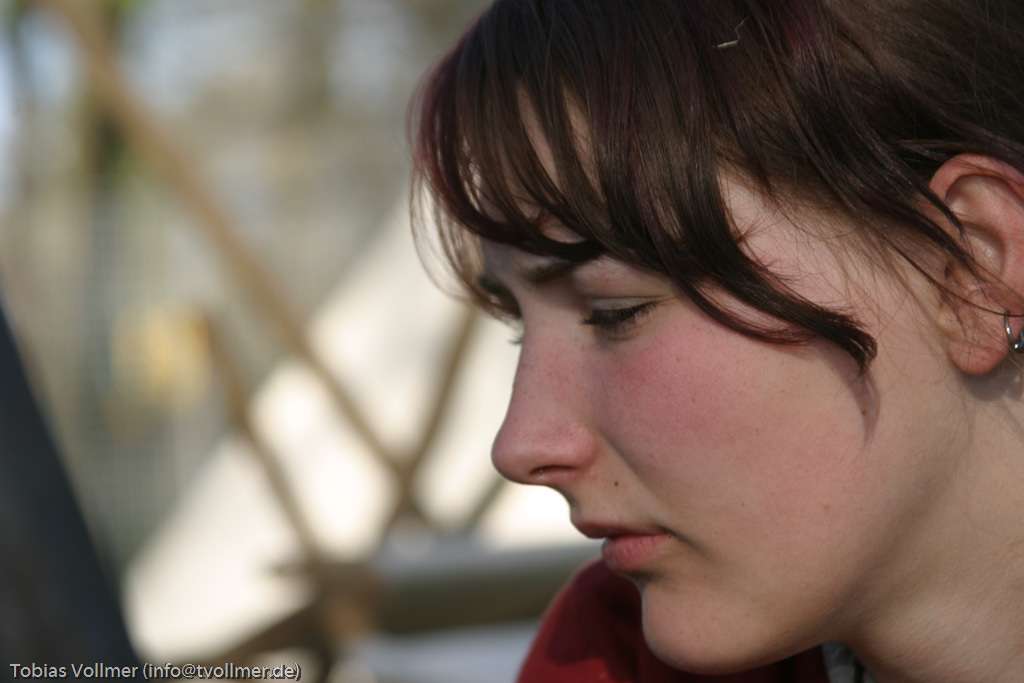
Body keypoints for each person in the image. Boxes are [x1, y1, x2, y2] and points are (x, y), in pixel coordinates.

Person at [408, 0, 1024, 680]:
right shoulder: (605, 657)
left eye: (616, 311)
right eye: (520, 328)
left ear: (970, 271)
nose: (521, 445)